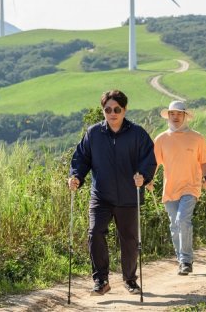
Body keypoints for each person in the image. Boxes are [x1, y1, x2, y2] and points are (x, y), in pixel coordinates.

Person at [68, 89, 157, 296]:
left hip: (129, 196)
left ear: (125, 110)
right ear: (103, 111)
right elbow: (81, 158)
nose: (112, 113)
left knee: (129, 240)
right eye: (108, 109)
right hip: (101, 196)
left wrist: (143, 176)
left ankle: (130, 279)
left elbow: (149, 159)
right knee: (95, 233)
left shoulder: (137, 134)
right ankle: (101, 280)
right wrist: (76, 176)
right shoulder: (93, 133)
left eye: (117, 109)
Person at [152, 100, 206, 276]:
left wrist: (205, 176)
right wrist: (149, 179)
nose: (175, 117)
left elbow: (205, 160)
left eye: (179, 114)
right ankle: (182, 259)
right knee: (174, 225)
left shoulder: (197, 138)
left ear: (185, 116)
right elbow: (154, 163)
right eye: (172, 114)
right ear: (168, 116)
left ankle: (186, 260)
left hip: (191, 187)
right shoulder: (161, 139)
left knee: (182, 220)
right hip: (170, 189)